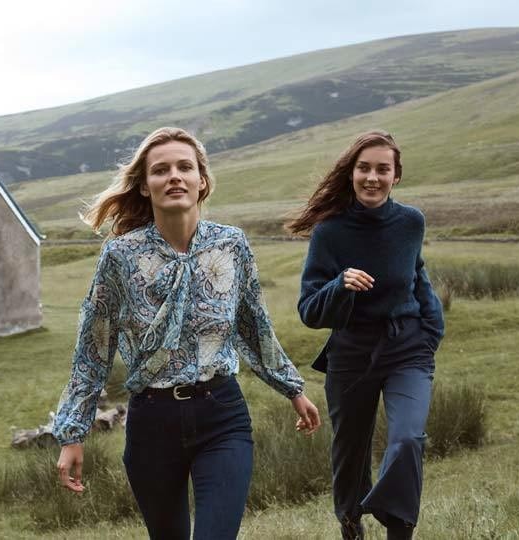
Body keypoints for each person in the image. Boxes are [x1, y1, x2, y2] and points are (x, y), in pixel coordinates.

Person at [52, 126, 321, 539]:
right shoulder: (120, 256)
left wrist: (292, 388)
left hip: (221, 414)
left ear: (202, 181)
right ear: (145, 186)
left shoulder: (231, 245)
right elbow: (94, 345)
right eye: (161, 170)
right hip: (151, 422)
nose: (174, 176)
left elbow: (253, 324)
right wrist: (73, 433)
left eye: (185, 167)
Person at [286, 130, 444, 540]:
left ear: (396, 176)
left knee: (408, 439)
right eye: (364, 168)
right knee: (350, 457)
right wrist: (340, 285)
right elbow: (309, 310)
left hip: (407, 348)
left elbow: (417, 274)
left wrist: (430, 332)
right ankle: (352, 526)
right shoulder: (330, 231)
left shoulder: (411, 222)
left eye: (382, 169)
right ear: (351, 173)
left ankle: (398, 529)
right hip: (351, 354)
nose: (372, 177)